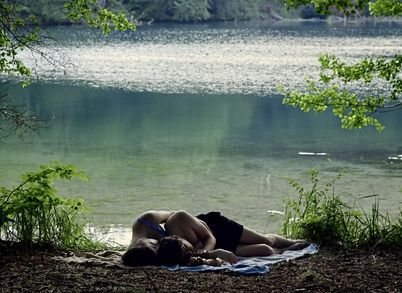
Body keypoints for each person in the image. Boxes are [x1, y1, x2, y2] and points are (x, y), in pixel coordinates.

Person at [158, 210, 309, 266]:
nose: (191, 249)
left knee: (266, 240)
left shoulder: (178, 219)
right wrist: (211, 256)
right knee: (265, 250)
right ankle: (285, 250)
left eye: (189, 247)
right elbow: (210, 260)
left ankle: (290, 242)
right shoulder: (177, 252)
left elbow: (209, 237)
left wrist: (207, 252)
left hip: (217, 228)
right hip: (217, 247)